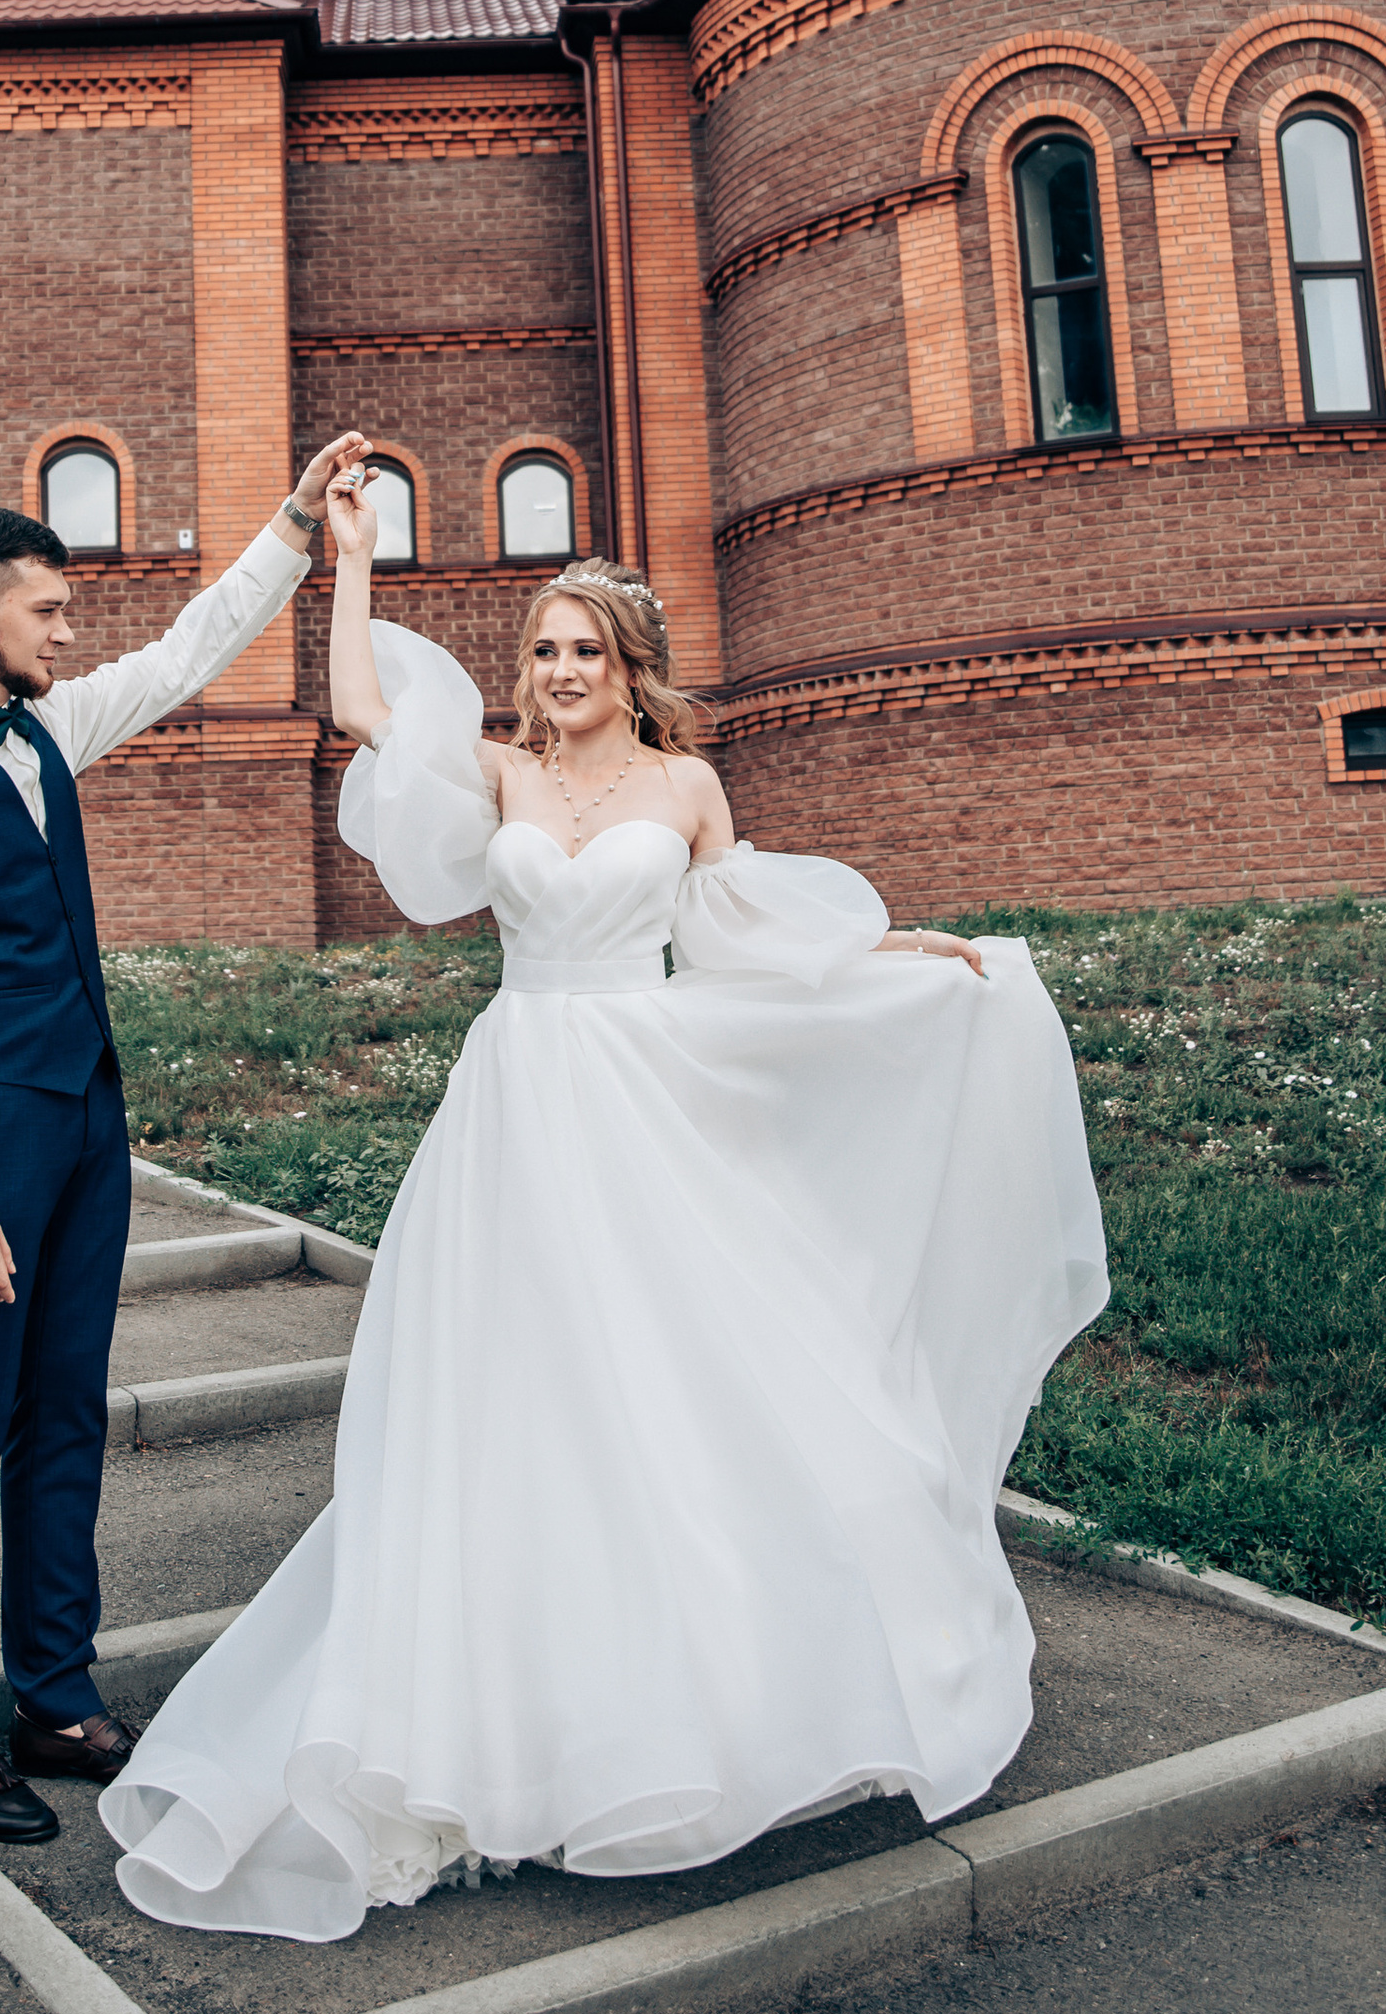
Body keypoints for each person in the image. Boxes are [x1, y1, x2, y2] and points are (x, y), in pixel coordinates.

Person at [101, 469, 1110, 1938]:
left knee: (686, 1374)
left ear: (628, 668)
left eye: (583, 649)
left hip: (649, 1092)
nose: (558, 671)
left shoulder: (685, 788)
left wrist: (903, 947)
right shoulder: (505, 777)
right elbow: (369, 712)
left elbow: (750, 938)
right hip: (517, 1098)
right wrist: (358, 561)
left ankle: (731, 1698)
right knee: (512, 1396)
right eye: (543, 651)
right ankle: (501, 1722)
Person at [0, 431, 371, 1845]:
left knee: (66, 1413)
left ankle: (54, 1695)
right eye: (49, 611)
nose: (72, 634)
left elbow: (188, 653)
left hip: (86, 1120)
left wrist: (295, 525)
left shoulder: (47, 730)